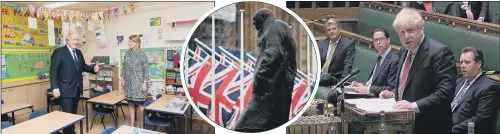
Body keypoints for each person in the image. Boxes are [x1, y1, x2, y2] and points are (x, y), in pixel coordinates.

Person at [379, 8, 457, 134]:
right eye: (401, 32)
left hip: (430, 126)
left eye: (410, 30)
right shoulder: (404, 51)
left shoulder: (440, 53)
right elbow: (410, 84)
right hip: (405, 125)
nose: (406, 36)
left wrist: (413, 106)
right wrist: (394, 94)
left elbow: (446, 93)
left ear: (421, 29)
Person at [234, 8, 297, 132]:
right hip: (275, 87)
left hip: (269, 88)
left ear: (263, 17)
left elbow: (274, 54)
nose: (253, 24)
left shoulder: (275, 26)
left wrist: (259, 76)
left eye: (255, 20)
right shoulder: (277, 27)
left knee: (243, 126)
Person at [50, 31, 100, 134]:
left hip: (77, 89)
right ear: (67, 40)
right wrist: (55, 88)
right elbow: (53, 71)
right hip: (65, 89)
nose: (76, 42)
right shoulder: (59, 52)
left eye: (77, 40)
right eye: (74, 39)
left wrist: (93, 69)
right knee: (67, 115)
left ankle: (71, 131)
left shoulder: (78, 52)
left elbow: (83, 66)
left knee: (73, 115)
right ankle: (68, 132)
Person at [451, 47, 500, 134]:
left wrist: (451, 129)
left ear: (479, 64)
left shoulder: (489, 88)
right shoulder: (459, 81)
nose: (462, 65)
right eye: (461, 62)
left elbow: (480, 120)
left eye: (467, 62)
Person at [350, 28, 399, 97]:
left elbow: (391, 88)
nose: (378, 42)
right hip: (369, 93)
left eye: (381, 39)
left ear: (388, 40)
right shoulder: (379, 57)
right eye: (376, 40)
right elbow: (373, 82)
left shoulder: (394, 60)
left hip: (378, 97)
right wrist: (362, 85)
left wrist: (368, 89)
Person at [318, 16, 355, 87]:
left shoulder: (348, 44)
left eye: (334, 29)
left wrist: (342, 84)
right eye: (329, 30)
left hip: (335, 79)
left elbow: (347, 66)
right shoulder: (322, 43)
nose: (331, 31)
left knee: (326, 77)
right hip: (320, 76)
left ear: (339, 29)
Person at [121, 35, 149, 128]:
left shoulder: (142, 54)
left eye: (131, 42)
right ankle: (132, 124)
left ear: (137, 43)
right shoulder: (127, 54)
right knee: (131, 103)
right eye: (128, 41)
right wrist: (122, 79)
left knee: (140, 105)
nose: (129, 43)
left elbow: (146, 69)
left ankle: (142, 124)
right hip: (129, 83)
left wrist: (145, 82)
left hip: (139, 83)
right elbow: (123, 67)